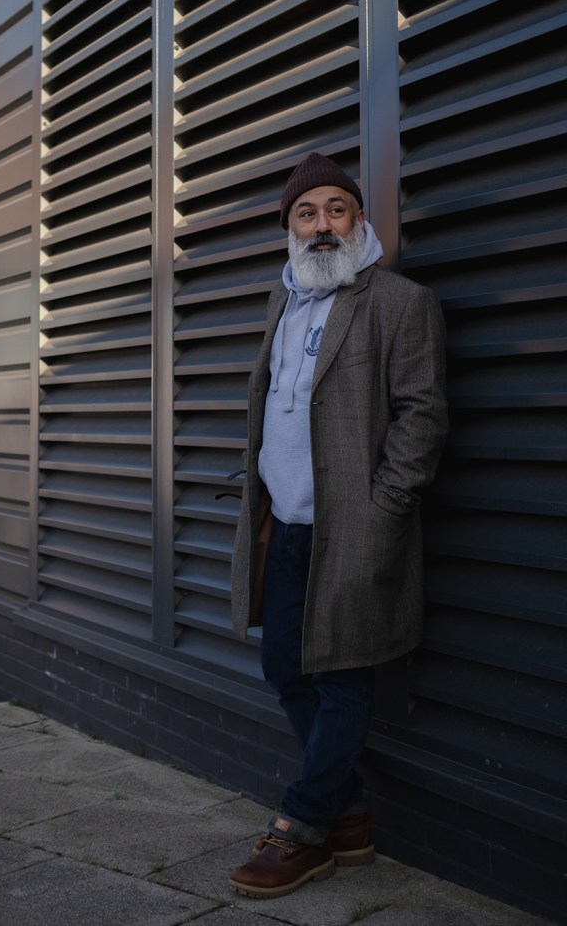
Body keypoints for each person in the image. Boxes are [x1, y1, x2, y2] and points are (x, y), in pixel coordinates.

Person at [228, 152, 449, 899]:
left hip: (351, 531)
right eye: (306, 213)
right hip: (283, 527)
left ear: (358, 220)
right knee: (285, 670)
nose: (322, 226)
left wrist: (384, 510)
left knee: (343, 674)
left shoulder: (398, 302)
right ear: (289, 228)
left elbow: (423, 416)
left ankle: (304, 825)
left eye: (336, 210)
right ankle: (349, 813)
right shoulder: (282, 301)